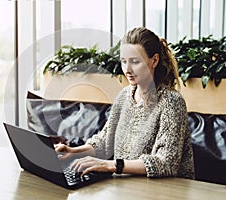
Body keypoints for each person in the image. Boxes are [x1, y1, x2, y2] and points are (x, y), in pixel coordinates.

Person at [55, 27, 195, 179]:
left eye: (135, 62)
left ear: (154, 60)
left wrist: (111, 165)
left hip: (167, 191)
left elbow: (166, 163)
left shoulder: (171, 102)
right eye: (123, 61)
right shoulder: (124, 96)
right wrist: (73, 152)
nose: (127, 69)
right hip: (127, 186)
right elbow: (105, 141)